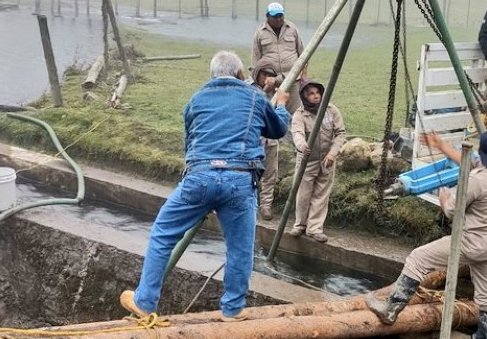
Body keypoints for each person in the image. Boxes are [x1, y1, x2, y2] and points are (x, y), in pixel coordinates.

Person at [120, 51, 290, 322]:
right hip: (239, 180)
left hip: (199, 178)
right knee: (239, 248)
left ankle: (145, 301)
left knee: (163, 233)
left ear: (212, 75)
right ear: (240, 75)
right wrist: (281, 104)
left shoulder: (195, 100)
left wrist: (205, 190)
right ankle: (232, 310)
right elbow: (277, 129)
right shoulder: (256, 97)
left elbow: (191, 145)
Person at [365, 128, 487, 339]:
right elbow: (474, 163)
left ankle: (391, 309)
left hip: (469, 242)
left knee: (418, 258)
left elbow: (451, 212)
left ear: (481, 150)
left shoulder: (475, 181)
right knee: (486, 290)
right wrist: (441, 146)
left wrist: (444, 196)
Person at [287, 80, 346, 243]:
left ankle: (315, 228)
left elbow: (340, 133)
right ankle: (300, 225)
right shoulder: (300, 114)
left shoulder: (331, 110)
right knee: (303, 193)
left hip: (326, 159)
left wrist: (333, 153)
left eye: (317, 93)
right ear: (304, 96)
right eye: (311, 93)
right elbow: (297, 133)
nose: (316, 96)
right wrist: (301, 145)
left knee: (321, 193)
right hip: (307, 159)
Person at [251, 1, 306, 115]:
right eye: (275, 17)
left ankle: (294, 132)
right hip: (271, 81)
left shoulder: (292, 29)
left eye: (280, 16)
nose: (278, 19)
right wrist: (260, 82)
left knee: (296, 113)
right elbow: (255, 59)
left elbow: (303, 54)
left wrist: (303, 77)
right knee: (272, 112)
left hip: (293, 79)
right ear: (267, 16)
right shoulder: (260, 33)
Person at [250, 58, 282, 221]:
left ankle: (266, 205)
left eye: (271, 74)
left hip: (271, 139)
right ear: (257, 73)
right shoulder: (249, 90)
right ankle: (251, 204)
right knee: (253, 172)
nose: (267, 77)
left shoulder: (278, 91)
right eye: (264, 74)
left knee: (271, 173)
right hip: (254, 139)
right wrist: (266, 90)